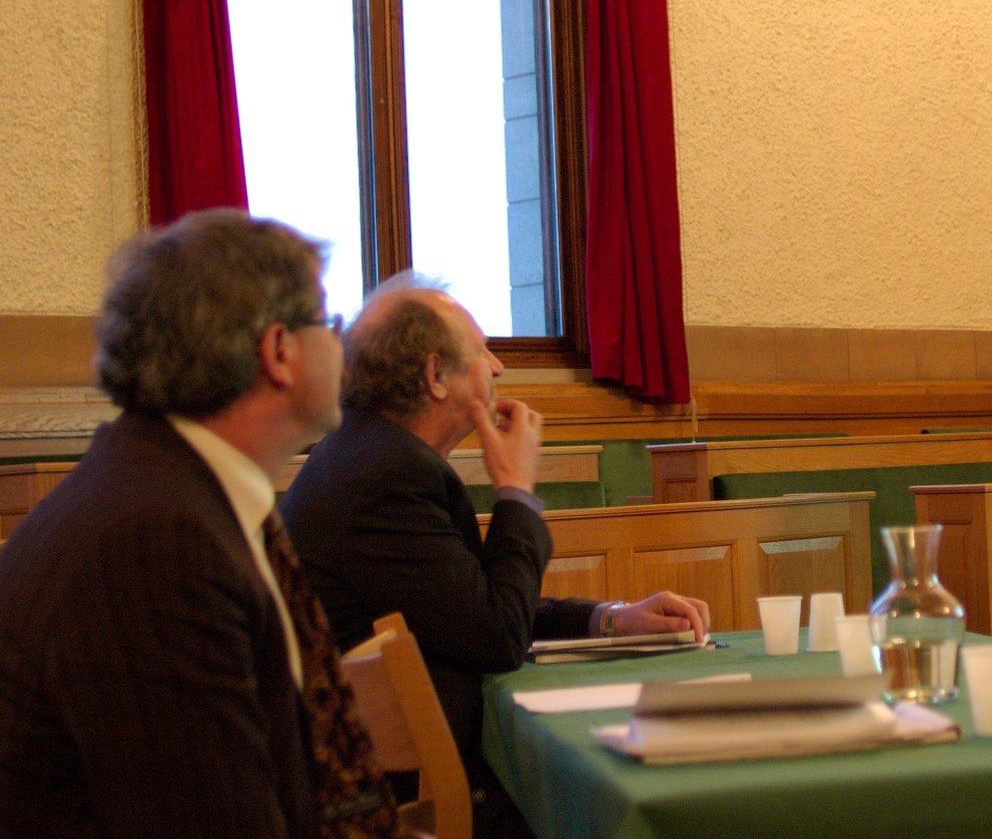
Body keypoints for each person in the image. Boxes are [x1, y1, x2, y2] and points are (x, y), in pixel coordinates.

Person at [0, 209, 398, 839]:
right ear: (279, 351)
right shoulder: (156, 543)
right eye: (328, 323)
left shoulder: (164, 488)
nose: (340, 344)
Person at [280, 276, 709, 839]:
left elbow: (468, 606)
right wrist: (515, 491)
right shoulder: (387, 477)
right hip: (407, 804)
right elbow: (495, 634)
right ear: (436, 376)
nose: (498, 367)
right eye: (482, 351)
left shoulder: (367, 454)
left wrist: (611, 619)